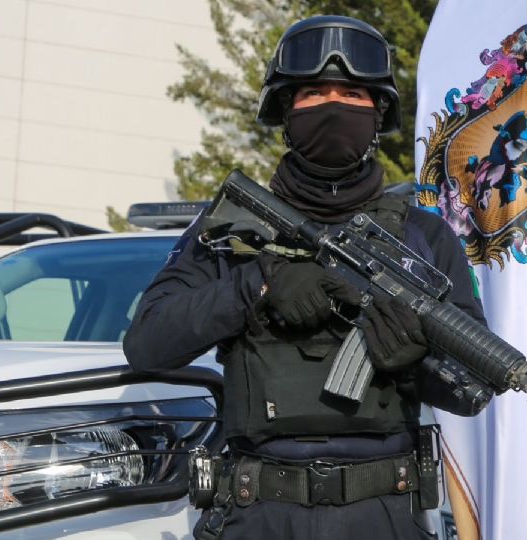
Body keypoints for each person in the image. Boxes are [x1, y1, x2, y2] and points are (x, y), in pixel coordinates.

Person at [124, 15, 489, 540]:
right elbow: (147, 344)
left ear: (378, 113)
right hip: (256, 511)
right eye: (314, 92)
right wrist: (258, 286)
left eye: (352, 94)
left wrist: (413, 364)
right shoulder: (232, 229)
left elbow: (473, 385)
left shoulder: (425, 237)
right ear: (285, 112)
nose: (333, 105)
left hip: (383, 513)